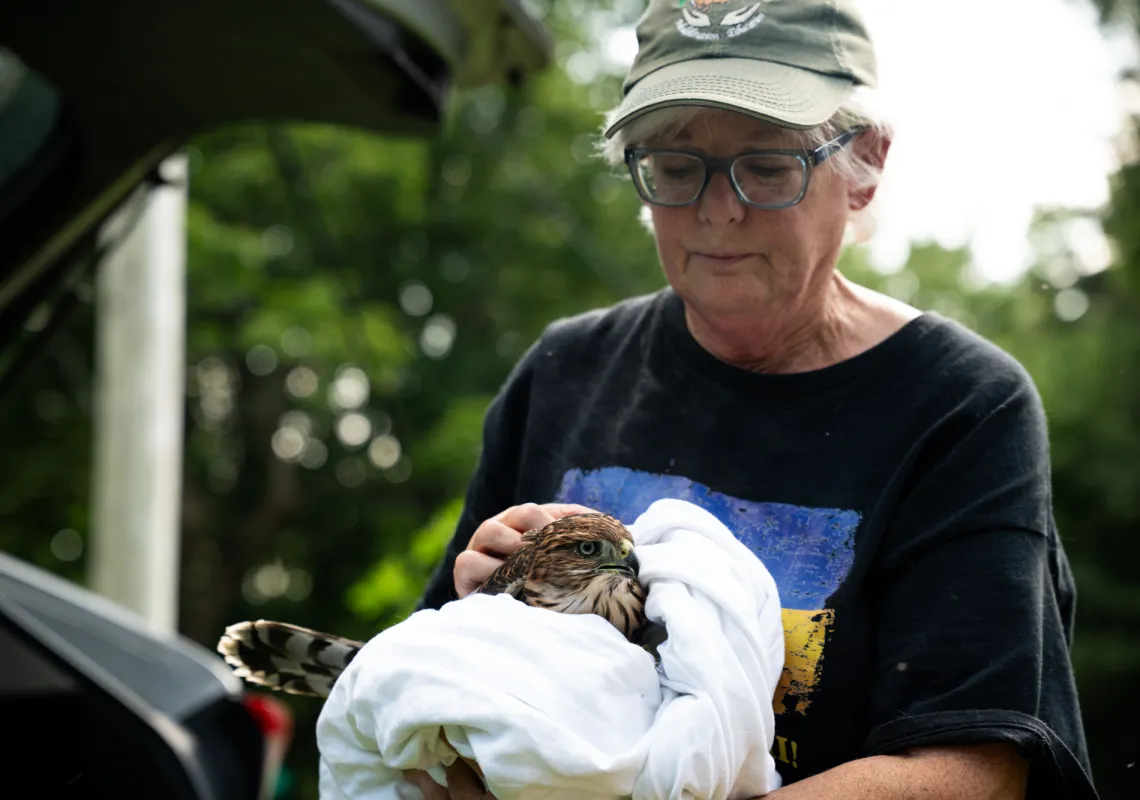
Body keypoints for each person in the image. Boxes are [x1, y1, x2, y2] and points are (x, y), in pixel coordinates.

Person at [407, 1, 1098, 798]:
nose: (718, 209)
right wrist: (480, 606)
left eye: (769, 165)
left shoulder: (961, 406)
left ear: (865, 165)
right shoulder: (566, 370)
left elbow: (972, 772)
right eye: (674, 165)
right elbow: (431, 691)